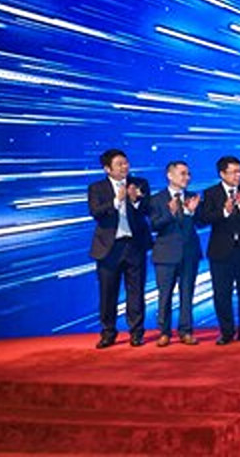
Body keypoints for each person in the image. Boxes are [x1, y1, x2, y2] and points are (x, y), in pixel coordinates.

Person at [86, 149, 151, 349]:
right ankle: (108, 333)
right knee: (108, 293)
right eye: (119, 164)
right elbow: (96, 212)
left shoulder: (139, 183)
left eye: (126, 163)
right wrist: (117, 201)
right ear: (107, 169)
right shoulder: (96, 188)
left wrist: (135, 200)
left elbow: (148, 210)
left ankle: (136, 333)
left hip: (134, 245)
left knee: (136, 292)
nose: (125, 167)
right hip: (109, 248)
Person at [199, 155, 240, 345]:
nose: (238, 175)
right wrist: (225, 211)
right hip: (220, 251)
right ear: (222, 174)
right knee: (222, 293)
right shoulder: (211, 193)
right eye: (233, 172)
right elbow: (203, 219)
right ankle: (226, 332)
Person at [149, 160, 202, 347]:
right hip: (165, 254)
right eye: (183, 173)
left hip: (189, 253)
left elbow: (202, 222)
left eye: (188, 174)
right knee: (165, 295)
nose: (187, 177)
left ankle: (186, 330)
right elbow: (154, 225)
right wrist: (170, 214)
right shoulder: (156, 199)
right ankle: (164, 332)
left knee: (187, 294)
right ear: (170, 175)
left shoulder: (193, 197)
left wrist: (190, 212)